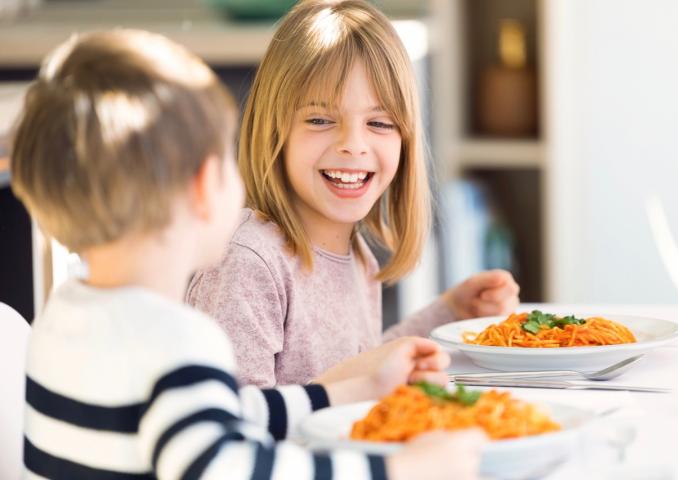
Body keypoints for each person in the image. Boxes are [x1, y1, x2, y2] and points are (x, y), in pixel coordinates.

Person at [11, 29, 486, 479]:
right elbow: (232, 468)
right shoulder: (176, 342)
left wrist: (356, 390)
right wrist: (397, 472)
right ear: (204, 187)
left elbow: (231, 412)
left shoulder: (67, 315)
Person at [187, 0, 520, 387]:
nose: (353, 144)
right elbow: (238, 417)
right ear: (275, 132)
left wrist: (448, 313)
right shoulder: (249, 263)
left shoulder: (359, 259)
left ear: (405, 143)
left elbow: (358, 365)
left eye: (379, 123)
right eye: (320, 120)